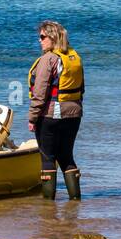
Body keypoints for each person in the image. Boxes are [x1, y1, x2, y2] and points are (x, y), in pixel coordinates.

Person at [28, 21, 84, 200]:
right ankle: (75, 202)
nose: (40, 40)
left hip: (51, 115)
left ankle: (48, 208)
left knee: (47, 159)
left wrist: (32, 118)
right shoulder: (74, 57)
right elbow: (82, 88)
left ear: (52, 38)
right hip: (74, 114)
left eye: (43, 37)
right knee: (66, 157)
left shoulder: (49, 59)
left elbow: (39, 92)